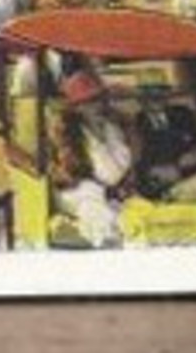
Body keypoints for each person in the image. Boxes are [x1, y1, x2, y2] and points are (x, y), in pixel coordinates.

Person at [48, 69, 136, 248]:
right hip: (81, 195)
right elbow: (69, 176)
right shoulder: (69, 137)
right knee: (102, 220)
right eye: (86, 103)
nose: (94, 107)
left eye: (97, 100)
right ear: (75, 108)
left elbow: (124, 166)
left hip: (116, 194)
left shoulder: (115, 127)